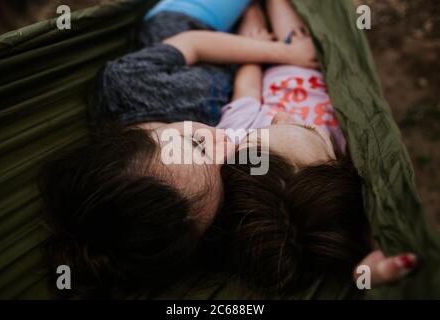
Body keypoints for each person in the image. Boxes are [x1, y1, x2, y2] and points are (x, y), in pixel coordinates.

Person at [39, 0, 319, 292]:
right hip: (241, 70)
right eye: (219, 170)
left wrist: (281, 52)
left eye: (197, 144)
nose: (225, 144)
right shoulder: (190, 220)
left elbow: (194, 44)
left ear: (134, 136)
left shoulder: (128, 84)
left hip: (192, 24)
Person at [216, 0, 417, 292]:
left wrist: (258, 48)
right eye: (307, 128)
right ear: (335, 165)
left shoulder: (238, 138)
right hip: (324, 66)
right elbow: (369, 222)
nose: (281, 114)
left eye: (269, 125)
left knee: (262, 14)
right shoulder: (347, 150)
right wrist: (366, 267)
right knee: (274, 18)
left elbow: (246, 86)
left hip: (282, 59)